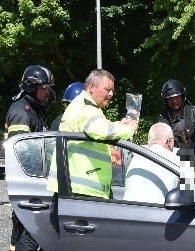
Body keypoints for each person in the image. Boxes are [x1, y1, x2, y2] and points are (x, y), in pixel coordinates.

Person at [119, 122, 186, 251]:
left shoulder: (135, 156)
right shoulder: (174, 159)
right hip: (155, 221)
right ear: (169, 141)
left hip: (126, 219)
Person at [49, 69, 137, 198]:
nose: (111, 94)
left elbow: (98, 128)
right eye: (107, 89)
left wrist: (119, 125)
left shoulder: (85, 106)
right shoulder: (86, 108)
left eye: (112, 90)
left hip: (80, 188)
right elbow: (101, 130)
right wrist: (129, 129)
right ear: (91, 87)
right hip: (82, 190)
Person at [5, 65, 55, 251]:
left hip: (33, 176)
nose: (48, 92)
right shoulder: (22, 111)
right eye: (45, 88)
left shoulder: (34, 109)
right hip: (29, 177)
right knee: (34, 222)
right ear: (32, 88)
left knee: (22, 221)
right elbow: (20, 150)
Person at [157, 79, 195, 148]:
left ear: (182, 97)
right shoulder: (162, 119)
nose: (174, 101)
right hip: (169, 156)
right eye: (170, 99)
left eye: (177, 97)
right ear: (166, 100)